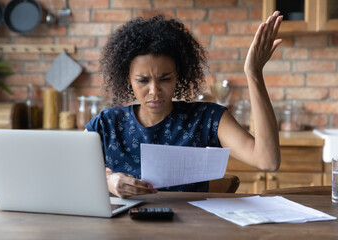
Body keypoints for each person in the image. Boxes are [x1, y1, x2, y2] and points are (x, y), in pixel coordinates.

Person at [85, 11, 283, 198]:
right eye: (143, 81)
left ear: (178, 76)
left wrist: (254, 73)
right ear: (127, 79)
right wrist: (108, 179)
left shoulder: (208, 119)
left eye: (165, 79)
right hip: (124, 231)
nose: (154, 90)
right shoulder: (106, 124)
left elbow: (268, 160)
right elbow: (66, 171)